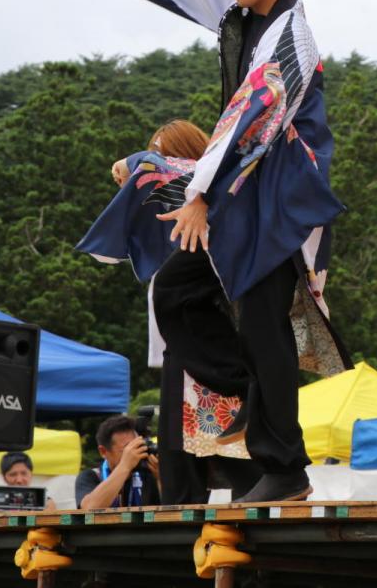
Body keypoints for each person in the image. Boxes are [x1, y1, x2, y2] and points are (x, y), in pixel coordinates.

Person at [109, 0, 351, 504]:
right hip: (246, 180)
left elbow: (249, 120)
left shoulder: (289, 38)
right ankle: (254, 394)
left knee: (267, 322)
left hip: (280, 190)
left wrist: (199, 194)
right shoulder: (243, 7)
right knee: (179, 289)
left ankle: (285, 464)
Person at [81, 120, 263, 503]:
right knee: (185, 463)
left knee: (236, 457)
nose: (162, 163)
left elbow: (168, 169)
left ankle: (254, 395)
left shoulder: (212, 192)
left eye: (168, 154)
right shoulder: (176, 214)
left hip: (202, 345)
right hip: (181, 351)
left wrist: (136, 161)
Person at [75, 416, 161, 510]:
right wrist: (125, 466)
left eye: (137, 446)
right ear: (103, 451)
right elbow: (89, 509)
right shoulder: (91, 476)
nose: (134, 453)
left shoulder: (148, 473)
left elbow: (172, 508)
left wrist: (161, 479)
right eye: (127, 450)